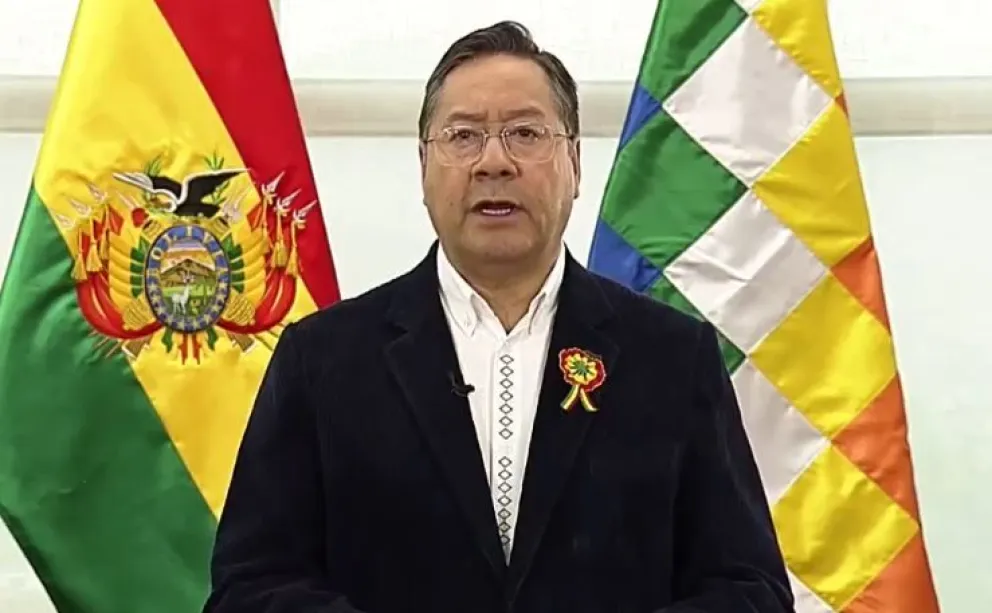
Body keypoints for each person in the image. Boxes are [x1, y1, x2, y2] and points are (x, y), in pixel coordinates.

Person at [202, 21, 795, 613]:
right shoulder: (324, 358)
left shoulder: (669, 357)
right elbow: (251, 586)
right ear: (423, 167)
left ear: (575, 162)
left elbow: (748, 591)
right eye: (463, 136)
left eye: (525, 133)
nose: (494, 162)